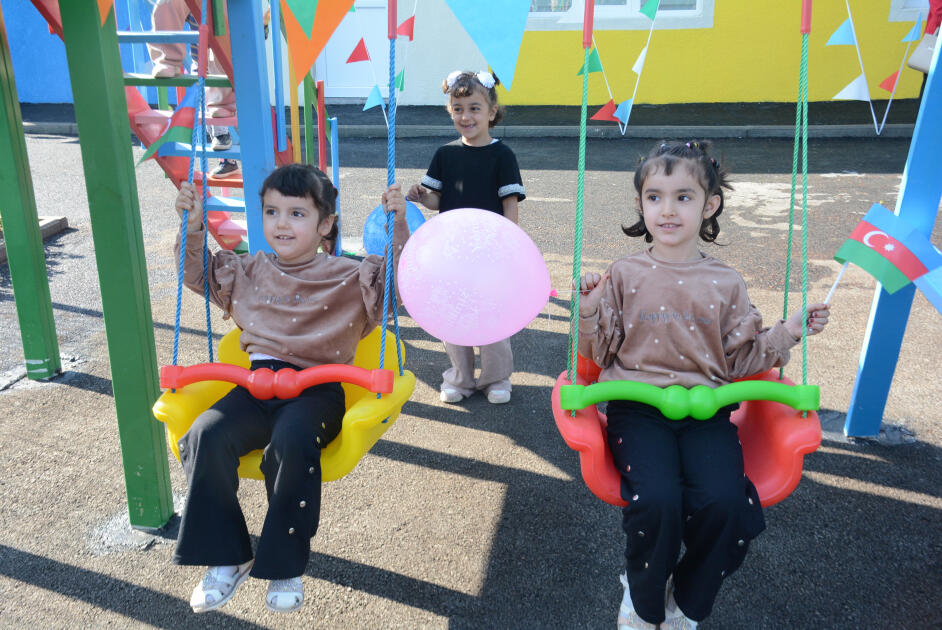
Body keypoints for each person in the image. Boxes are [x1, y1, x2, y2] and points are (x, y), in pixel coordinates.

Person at [576, 140, 830, 630]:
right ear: (640, 203)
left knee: (728, 503)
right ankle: (643, 598)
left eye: (683, 197)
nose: (666, 209)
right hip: (638, 406)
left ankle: (686, 604)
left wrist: (791, 329)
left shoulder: (726, 282)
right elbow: (598, 352)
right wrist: (588, 309)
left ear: (709, 204)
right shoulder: (624, 274)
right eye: (654, 197)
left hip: (709, 410)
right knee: (657, 500)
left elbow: (742, 361)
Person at [171, 164, 408, 613]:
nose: (281, 223)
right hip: (254, 386)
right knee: (205, 434)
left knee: (292, 441)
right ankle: (228, 556)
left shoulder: (349, 276)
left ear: (324, 226)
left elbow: (397, 290)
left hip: (316, 392)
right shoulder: (248, 270)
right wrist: (195, 224)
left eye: (297, 214)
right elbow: (197, 274)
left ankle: (283, 563)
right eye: (272, 211)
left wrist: (398, 227)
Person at [406, 70, 526, 405]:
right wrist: (421, 196)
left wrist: (509, 245)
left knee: (492, 316)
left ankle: (496, 379)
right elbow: (437, 201)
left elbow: (509, 203)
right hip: (452, 253)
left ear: (491, 112)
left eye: (474, 108)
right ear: (450, 112)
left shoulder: (503, 155)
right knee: (453, 315)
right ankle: (459, 377)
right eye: (458, 108)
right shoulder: (445, 155)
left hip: (489, 252)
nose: (466, 116)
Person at [148, 0, 245, 178]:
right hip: (199, 57)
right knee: (206, 104)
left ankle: (226, 156)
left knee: (220, 99)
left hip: (223, 55)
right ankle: (226, 159)